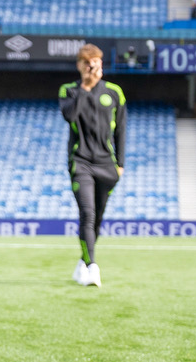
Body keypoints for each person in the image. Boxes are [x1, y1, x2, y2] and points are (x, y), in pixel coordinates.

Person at [58, 44, 126, 288]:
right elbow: (69, 116)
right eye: (87, 62)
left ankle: (82, 261)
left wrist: (121, 164)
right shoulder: (69, 90)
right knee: (87, 214)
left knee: (96, 219)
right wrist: (85, 87)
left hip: (107, 165)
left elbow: (121, 130)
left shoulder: (115, 92)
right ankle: (92, 266)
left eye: (95, 61)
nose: (92, 66)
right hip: (80, 162)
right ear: (79, 65)